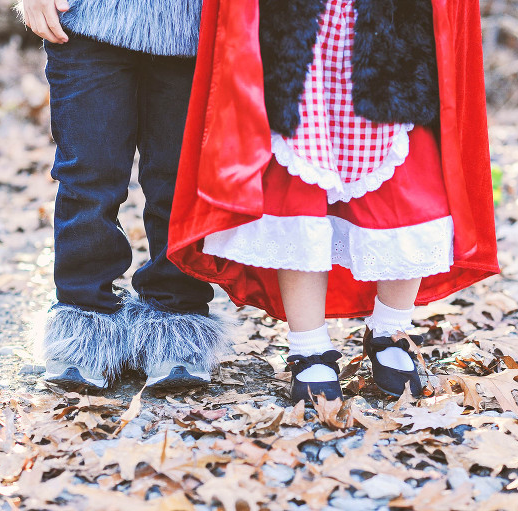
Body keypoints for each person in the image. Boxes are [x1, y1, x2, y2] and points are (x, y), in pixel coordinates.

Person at [169, 0, 500, 401]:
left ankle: (390, 329)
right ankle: (308, 347)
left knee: (409, 190)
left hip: (393, 30)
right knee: (296, 195)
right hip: (301, 41)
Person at [17, 0, 230, 392]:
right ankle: (83, 320)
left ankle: (177, 316)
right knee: (88, 176)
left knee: (179, 180)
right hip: (84, 19)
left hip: (193, 25)